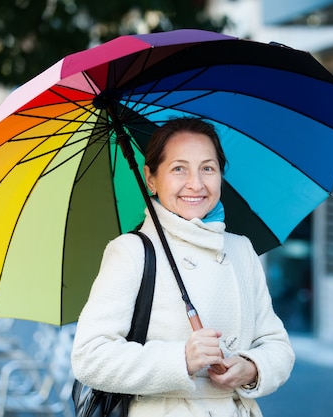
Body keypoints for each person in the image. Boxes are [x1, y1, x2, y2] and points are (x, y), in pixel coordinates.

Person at [71, 117, 295, 417]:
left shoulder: (240, 249)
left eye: (208, 168)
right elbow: (90, 357)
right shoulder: (131, 252)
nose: (196, 184)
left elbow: (277, 345)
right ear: (151, 178)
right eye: (179, 169)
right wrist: (181, 359)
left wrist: (252, 368)